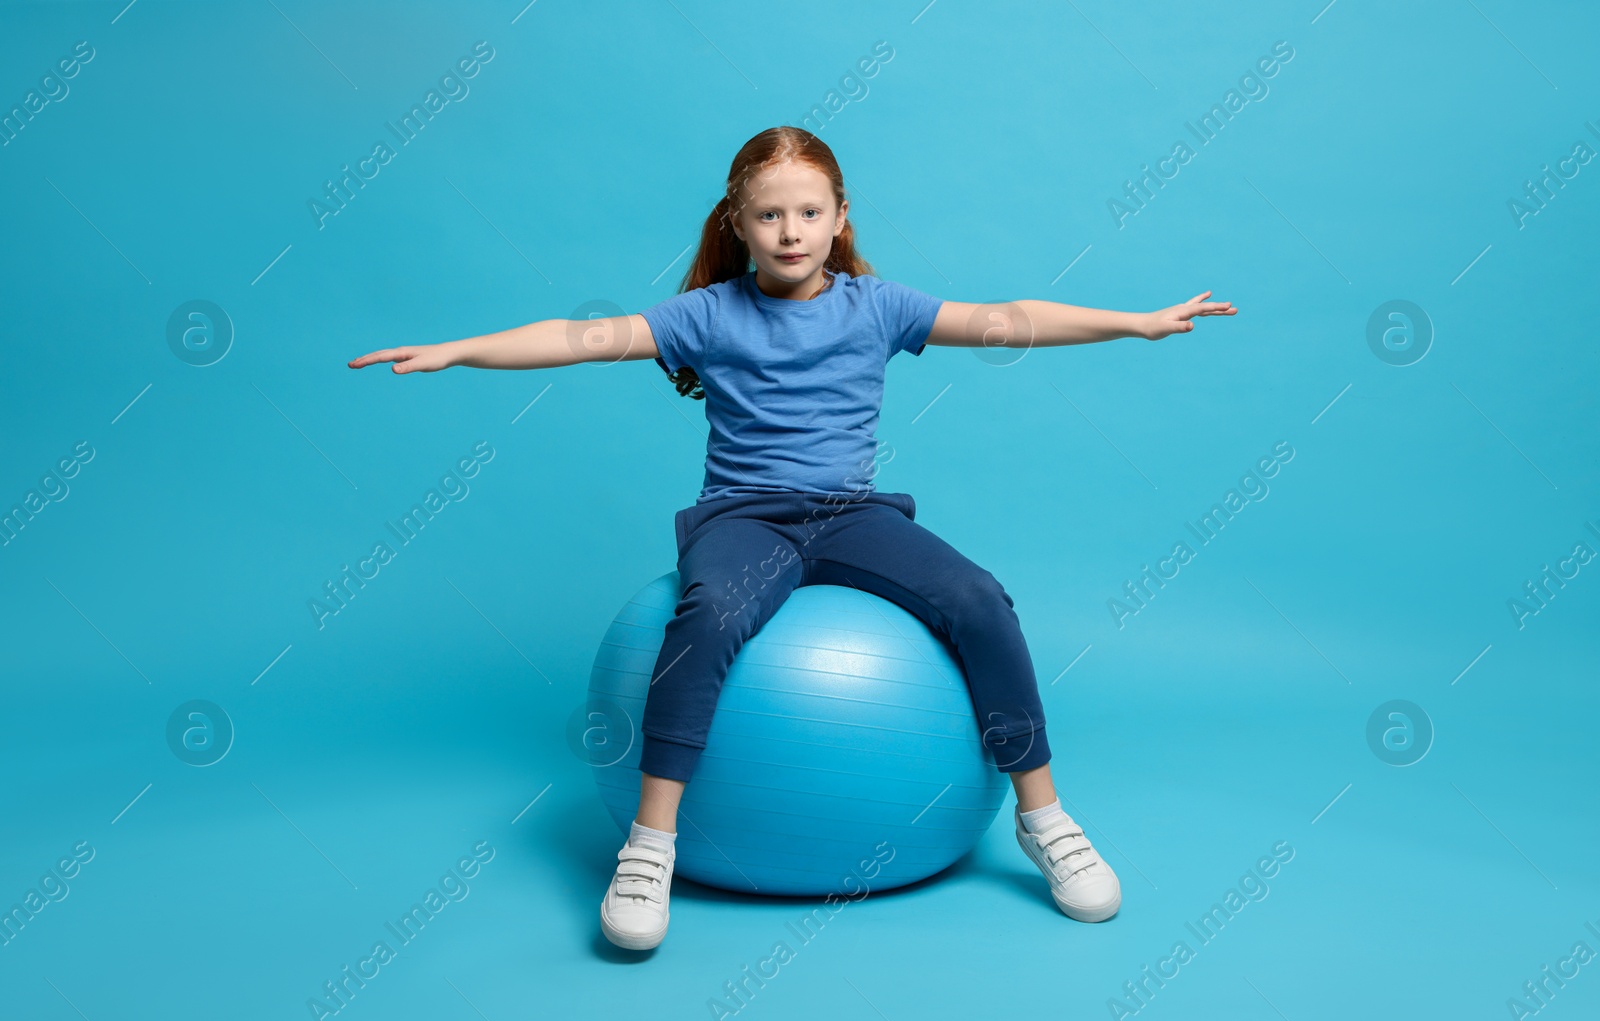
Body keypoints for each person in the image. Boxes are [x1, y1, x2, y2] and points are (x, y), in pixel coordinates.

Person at [349, 126, 1236, 953]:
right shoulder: (707, 314)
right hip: (744, 518)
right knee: (706, 613)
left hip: (854, 516)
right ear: (738, 224)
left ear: (840, 218)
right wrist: (456, 348)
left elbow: (1006, 318)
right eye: (769, 214)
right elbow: (582, 337)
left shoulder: (878, 306)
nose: (790, 231)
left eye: (809, 212)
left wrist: (1136, 320)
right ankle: (650, 847)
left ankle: (1045, 817)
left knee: (979, 597)